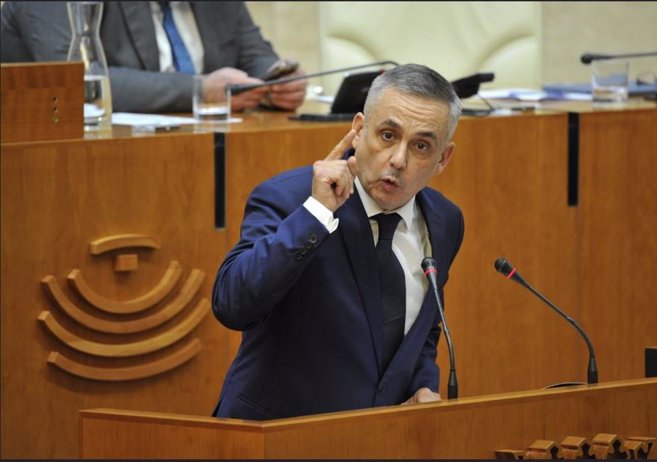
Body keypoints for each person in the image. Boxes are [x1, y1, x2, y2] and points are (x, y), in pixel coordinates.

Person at [211, 63, 464, 420]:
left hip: (373, 442)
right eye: (387, 135)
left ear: (443, 158)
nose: (398, 160)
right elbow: (233, 305)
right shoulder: (289, 199)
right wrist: (315, 214)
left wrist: (423, 385)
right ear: (359, 131)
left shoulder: (445, 222)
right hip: (275, 437)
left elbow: (424, 327)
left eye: (421, 146)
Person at [0, 1, 306, 113]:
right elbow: (75, 82)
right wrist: (199, 92)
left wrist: (280, 81)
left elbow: (256, 55)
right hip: (55, 166)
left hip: (203, 159)